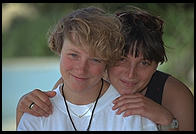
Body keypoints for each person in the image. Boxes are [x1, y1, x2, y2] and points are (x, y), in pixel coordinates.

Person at [16, 6, 194, 131]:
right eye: (122, 60)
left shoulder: (174, 94)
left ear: (156, 65)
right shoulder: (79, 80)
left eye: (145, 63)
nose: (131, 74)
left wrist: (166, 119)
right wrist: (23, 107)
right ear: (109, 58)